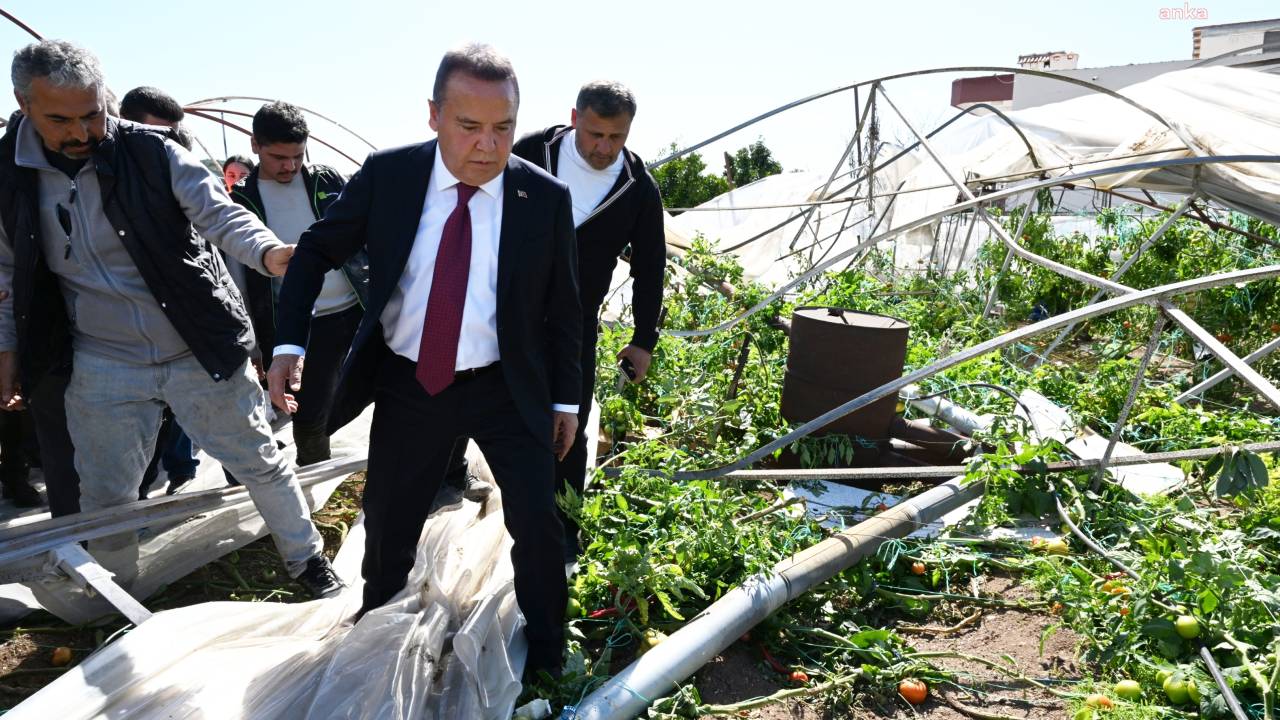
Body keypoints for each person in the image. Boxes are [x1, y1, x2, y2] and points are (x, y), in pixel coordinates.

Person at [267, 43, 582, 678]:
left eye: (504, 129)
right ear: (434, 115)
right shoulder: (392, 177)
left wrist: (567, 400)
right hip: (413, 382)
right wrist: (288, 344)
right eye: (470, 127)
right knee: (387, 517)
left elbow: (565, 310)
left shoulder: (541, 198)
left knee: (539, 524)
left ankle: (550, 650)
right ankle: (375, 628)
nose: (488, 147)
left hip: (505, 384)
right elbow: (313, 252)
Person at [0, 40, 342, 598]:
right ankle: (115, 590)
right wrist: (8, 350)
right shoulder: (9, 173)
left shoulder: (153, 152)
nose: (82, 132)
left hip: (194, 344)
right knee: (107, 492)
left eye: (92, 114)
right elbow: (7, 270)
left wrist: (271, 253)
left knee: (259, 459)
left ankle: (306, 560)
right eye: (60, 119)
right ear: (24, 103)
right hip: (102, 358)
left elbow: (220, 214)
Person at [511, 80, 666, 564]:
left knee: (568, 425)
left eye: (614, 138)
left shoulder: (636, 188)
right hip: (506, 310)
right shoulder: (533, 152)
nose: (603, 148)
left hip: (574, 323)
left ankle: (564, 531)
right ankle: (452, 474)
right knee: (473, 395)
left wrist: (644, 339)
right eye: (595, 134)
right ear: (574, 118)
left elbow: (651, 265)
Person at [230, 101, 368, 466]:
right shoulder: (241, 200)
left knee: (399, 394)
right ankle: (315, 487)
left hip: (355, 309)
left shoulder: (327, 180)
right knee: (308, 417)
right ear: (255, 145)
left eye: (298, 155)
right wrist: (256, 343)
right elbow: (239, 274)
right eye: (279, 157)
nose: (290, 166)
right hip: (302, 327)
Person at [118, 85, 204, 497]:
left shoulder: (180, 174)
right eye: (153, 135)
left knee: (183, 414)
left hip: (182, 329)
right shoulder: (99, 178)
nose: (162, 147)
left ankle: (181, 468)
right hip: (121, 344)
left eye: (169, 137)